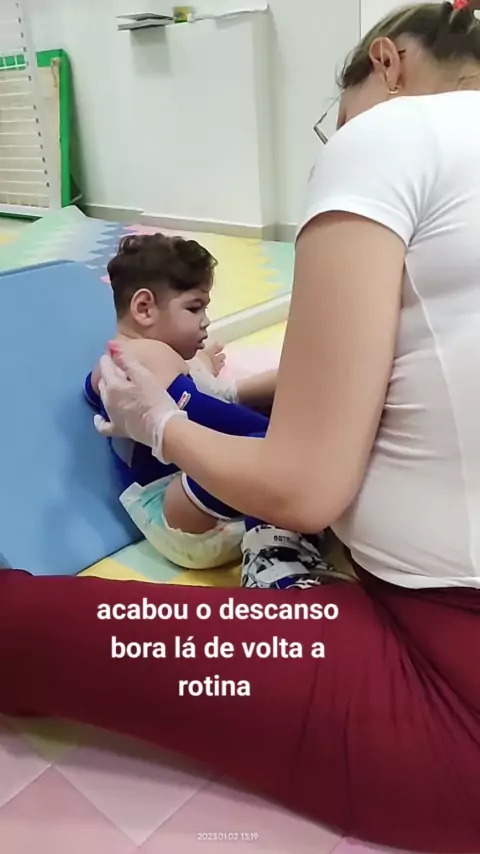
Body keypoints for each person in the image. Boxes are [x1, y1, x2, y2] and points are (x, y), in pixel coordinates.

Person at [2, 2, 480, 851]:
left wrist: (166, 426)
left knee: (30, 635)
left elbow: (300, 486)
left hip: (444, 678)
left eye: (337, 120)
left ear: (388, 64)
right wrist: (204, 407)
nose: (339, 137)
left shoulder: (393, 135)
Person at [85, 233, 287, 570]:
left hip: (199, 510)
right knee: (265, 449)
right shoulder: (145, 354)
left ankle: (274, 524)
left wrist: (201, 365)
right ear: (144, 308)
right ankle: (273, 548)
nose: (206, 320)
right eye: (194, 307)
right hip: (177, 510)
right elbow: (203, 414)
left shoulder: (128, 360)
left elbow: (94, 391)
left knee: (265, 439)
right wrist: (284, 440)